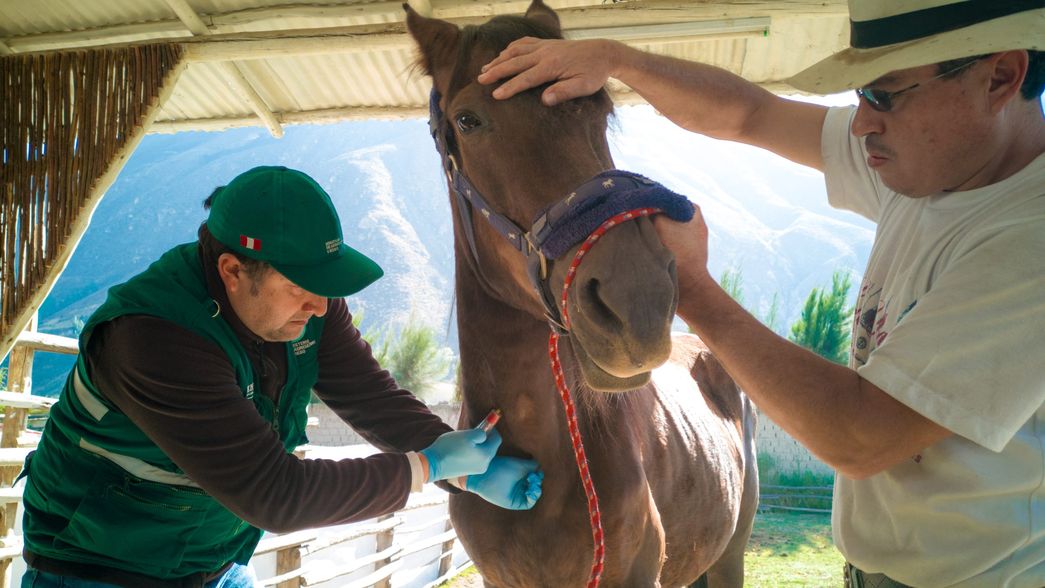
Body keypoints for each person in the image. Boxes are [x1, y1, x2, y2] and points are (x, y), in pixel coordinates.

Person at [478, 0, 1044, 586]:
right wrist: (619, 62)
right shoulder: (931, 166)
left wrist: (691, 289)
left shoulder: (1029, 238)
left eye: (886, 93)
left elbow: (862, 435)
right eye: (859, 97)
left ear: (1000, 77)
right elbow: (749, 114)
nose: (861, 124)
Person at [18, 165, 543, 588]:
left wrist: (464, 468)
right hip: (100, 569)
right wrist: (425, 468)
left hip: (216, 563)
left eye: (326, 286)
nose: (320, 305)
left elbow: (369, 397)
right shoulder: (153, 339)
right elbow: (276, 494)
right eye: (301, 288)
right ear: (232, 270)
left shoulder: (309, 306)